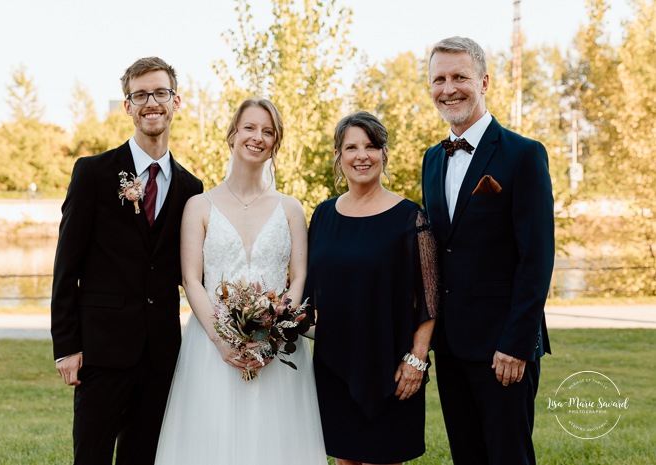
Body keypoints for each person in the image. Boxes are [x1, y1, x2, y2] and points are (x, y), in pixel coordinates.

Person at [154, 98, 327, 465]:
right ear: (232, 134)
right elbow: (191, 279)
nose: (258, 137)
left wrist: (274, 333)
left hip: (277, 350)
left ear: (275, 143)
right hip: (211, 347)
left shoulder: (291, 208)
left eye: (268, 132)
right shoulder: (199, 206)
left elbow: (299, 277)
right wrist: (221, 341)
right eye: (249, 127)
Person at [51, 57, 204, 465]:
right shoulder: (93, 173)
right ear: (127, 106)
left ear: (176, 101)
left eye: (160, 93)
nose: (150, 102)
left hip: (161, 356)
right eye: (140, 95)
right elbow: (67, 266)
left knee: (145, 458)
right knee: (92, 457)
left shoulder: (192, 188)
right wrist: (66, 347)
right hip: (101, 352)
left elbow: (189, 271)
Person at [421, 36, 555, 465]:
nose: (449, 88)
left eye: (459, 76)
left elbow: (537, 258)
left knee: (508, 457)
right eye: (439, 79)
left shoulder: (524, 155)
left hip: (504, 348)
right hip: (452, 345)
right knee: (468, 456)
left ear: (484, 81)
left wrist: (517, 343)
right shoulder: (431, 159)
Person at [304, 111, 439, 465]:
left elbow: (431, 295)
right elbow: (306, 292)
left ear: (384, 154)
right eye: (351, 147)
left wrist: (417, 359)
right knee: (345, 459)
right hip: (334, 365)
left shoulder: (412, 217)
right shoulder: (322, 216)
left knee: (383, 457)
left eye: (371, 146)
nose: (361, 155)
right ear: (338, 157)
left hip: (392, 367)